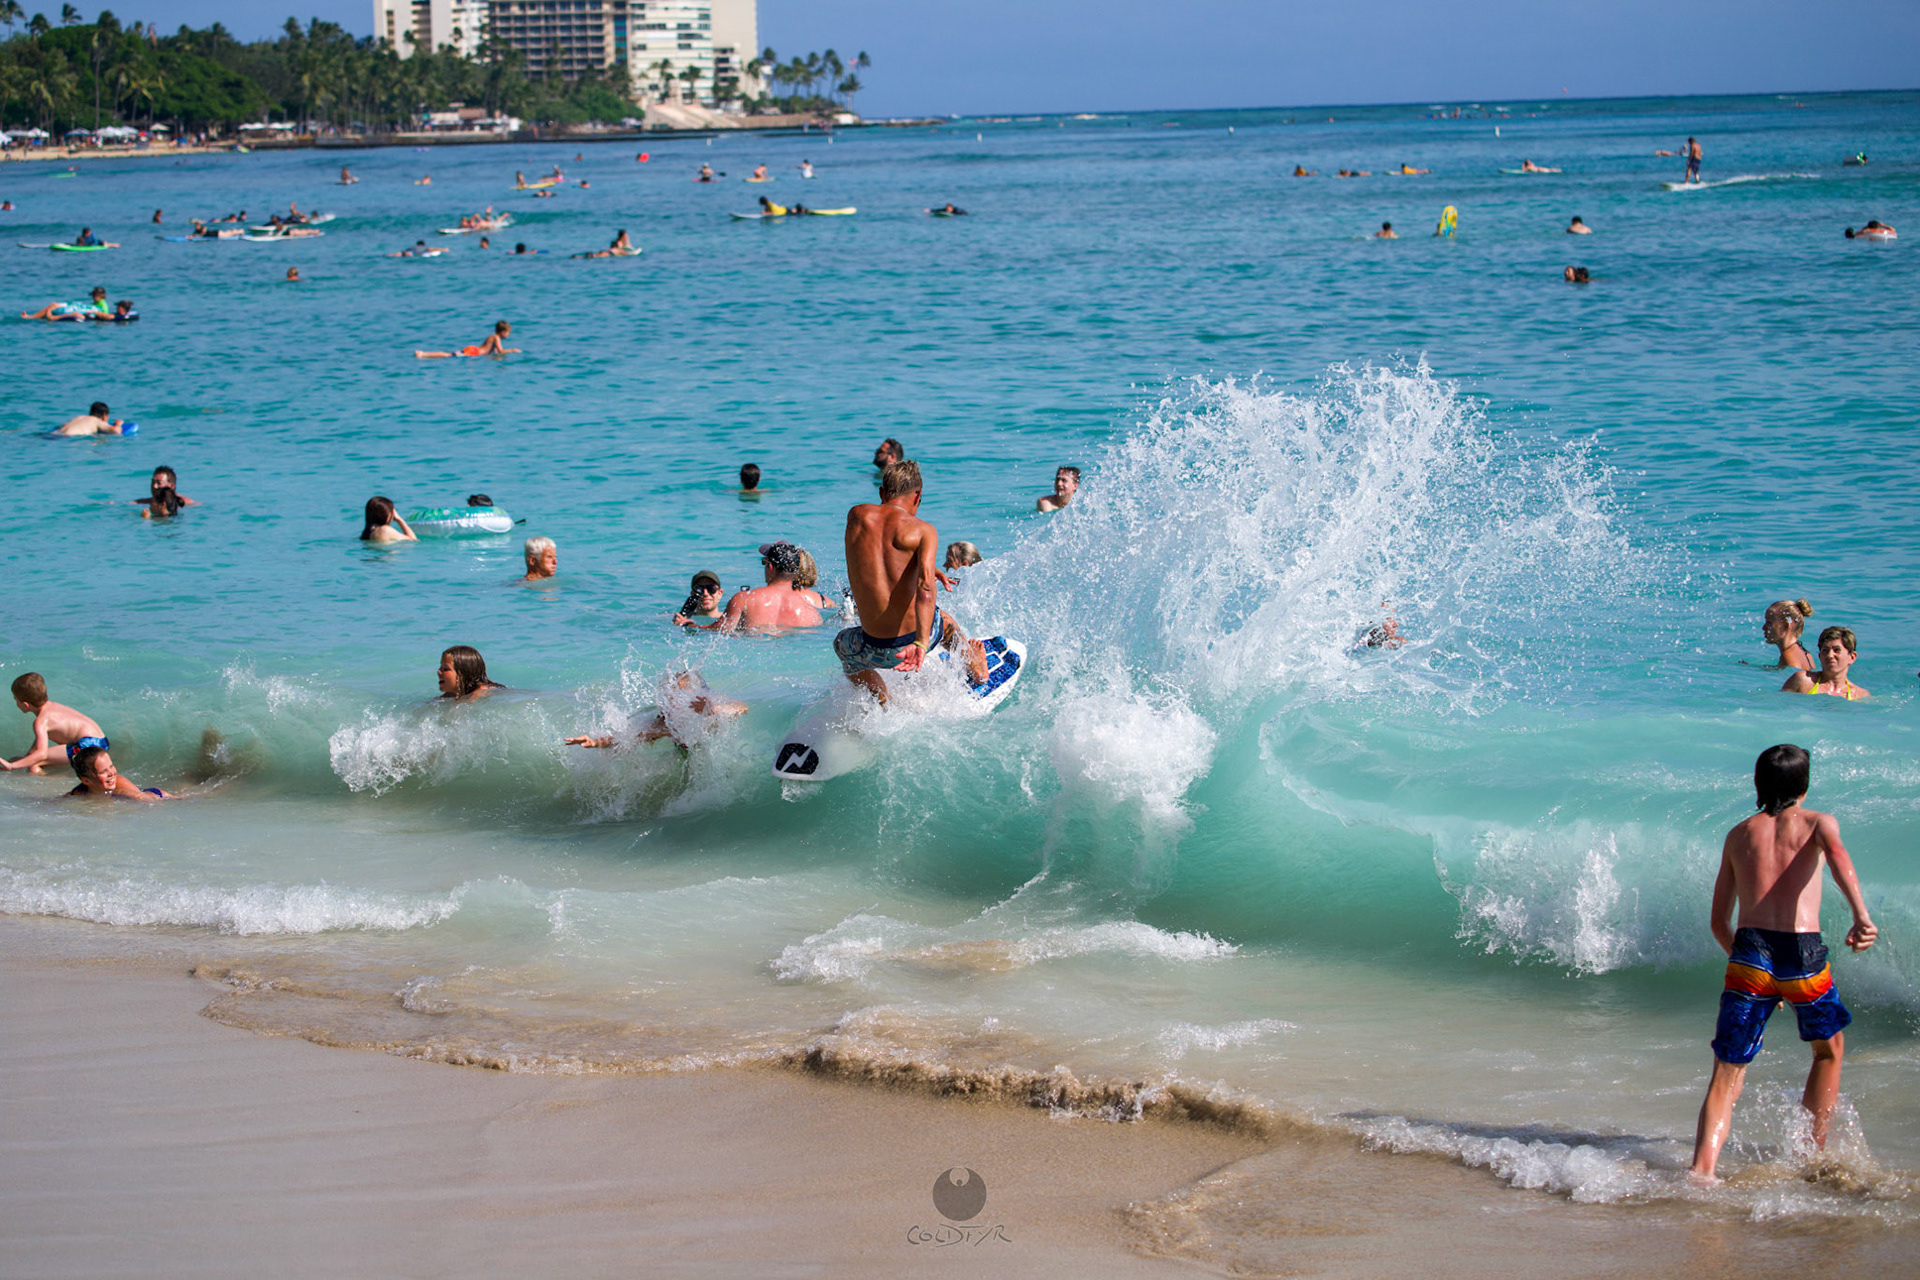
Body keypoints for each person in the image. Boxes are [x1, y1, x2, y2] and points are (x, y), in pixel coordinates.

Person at [1688, 744, 1875, 1183]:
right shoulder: (1818, 824)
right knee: (1828, 1051)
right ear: (1804, 786)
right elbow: (1840, 861)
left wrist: (1753, 973)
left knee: (1727, 1071)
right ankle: (1809, 1158)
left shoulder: (1738, 835)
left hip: (1749, 954)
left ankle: (1701, 1173)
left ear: (1758, 784)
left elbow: (1719, 922)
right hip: (1802, 953)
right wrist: (1861, 917)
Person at [837, 459, 988, 707]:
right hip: (910, 647)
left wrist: (916, 565)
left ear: (881, 493)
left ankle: (882, 699)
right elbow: (926, 588)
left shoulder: (856, 515)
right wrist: (921, 642)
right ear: (918, 496)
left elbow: (876, 557)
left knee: (842, 647)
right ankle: (976, 666)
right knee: (947, 622)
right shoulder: (923, 530)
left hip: (870, 648)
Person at [564, 670, 746, 751]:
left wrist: (716, 710)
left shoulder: (707, 709)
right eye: (668, 697)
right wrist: (595, 742)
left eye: (677, 697)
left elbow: (741, 708)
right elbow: (628, 738)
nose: (671, 703)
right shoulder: (666, 723)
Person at [675, 542, 824, 632]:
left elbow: (718, 631)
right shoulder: (812, 612)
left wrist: (688, 624)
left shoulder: (744, 599)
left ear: (770, 567)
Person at [3, 673, 108, 776]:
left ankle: (44, 788)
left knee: (34, 763)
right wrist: (15, 761)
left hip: (88, 746)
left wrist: (12, 766)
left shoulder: (40, 721)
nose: (16, 704)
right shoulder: (53, 707)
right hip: (102, 741)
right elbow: (33, 752)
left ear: (25, 705)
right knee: (28, 759)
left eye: (16, 700)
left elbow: (41, 754)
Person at [1782, 627, 1869, 700]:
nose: (1830, 655)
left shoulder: (1859, 696)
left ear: (1852, 657)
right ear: (1820, 656)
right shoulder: (1803, 681)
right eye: (1825, 651)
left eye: (1836, 650)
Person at [65, 745, 171, 801]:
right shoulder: (79, 793)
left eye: (111, 766)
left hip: (157, 795)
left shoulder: (120, 787)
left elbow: (149, 801)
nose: (111, 773)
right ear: (86, 780)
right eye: (103, 771)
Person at [417, 321, 519, 359]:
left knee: (449, 355)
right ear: (503, 332)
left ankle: (424, 354)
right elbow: (501, 351)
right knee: (448, 355)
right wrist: (512, 350)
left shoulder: (493, 337)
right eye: (508, 333)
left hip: (474, 350)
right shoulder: (496, 337)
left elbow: (495, 353)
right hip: (474, 351)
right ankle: (423, 354)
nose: (508, 335)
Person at [1761, 599, 1815, 671]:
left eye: (1769, 623)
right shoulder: (1806, 654)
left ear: (1786, 625)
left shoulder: (1788, 657)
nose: (1764, 628)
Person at [437, 645, 504, 701]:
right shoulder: (451, 693)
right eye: (440, 667)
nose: (438, 672)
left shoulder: (481, 692)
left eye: (445, 669)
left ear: (462, 674)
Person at [23, 286, 110, 322]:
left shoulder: (103, 305)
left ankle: (32, 317)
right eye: (93, 295)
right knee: (53, 304)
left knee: (53, 307)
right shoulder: (97, 303)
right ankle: (32, 316)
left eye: (96, 295)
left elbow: (104, 315)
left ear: (101, 296)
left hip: (81, 312)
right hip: (78, 307)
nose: (93, 297)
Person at [51, 401, 128, 437]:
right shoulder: (97, 421)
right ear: (104, 416)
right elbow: (116, 431)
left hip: (54, 433)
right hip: (64, 438)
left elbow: (64, 425)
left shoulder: (79, 417)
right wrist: (118, 424)